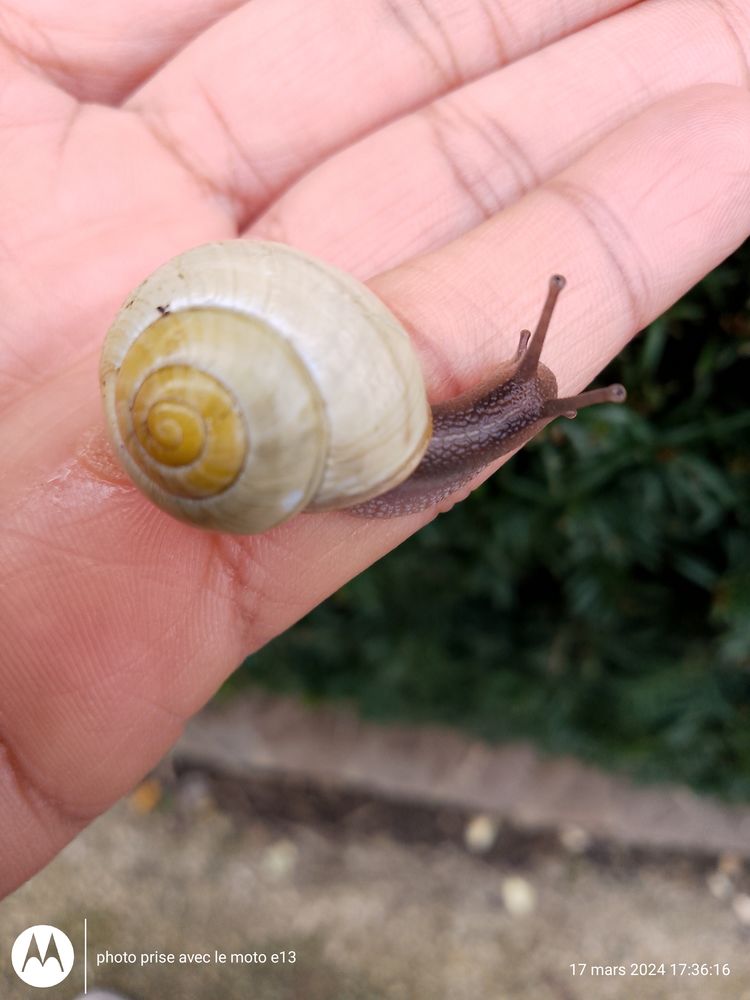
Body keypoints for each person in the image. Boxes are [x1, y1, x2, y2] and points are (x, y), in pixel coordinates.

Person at [1, 0, 749, 900]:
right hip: (251, 401)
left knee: (498, 411)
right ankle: (507, 411)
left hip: (246, 390)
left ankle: (506, 410)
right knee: (497, 414)